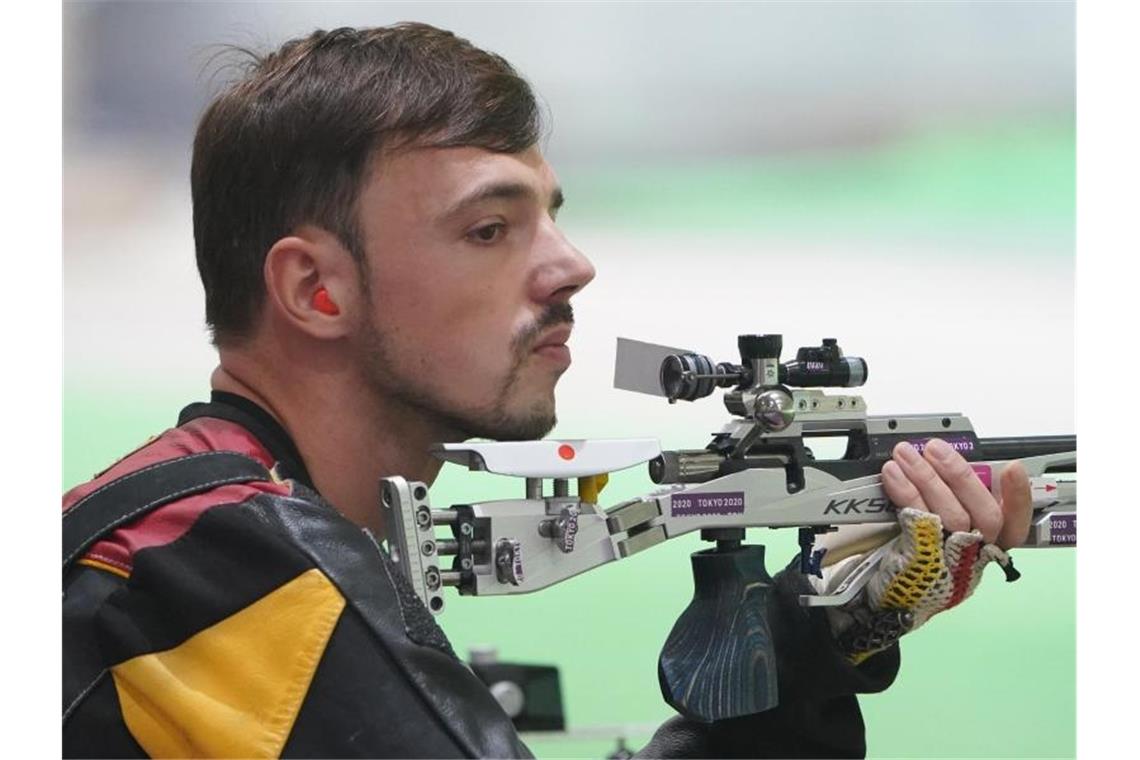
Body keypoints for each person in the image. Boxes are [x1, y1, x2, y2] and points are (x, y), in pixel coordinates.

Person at [62, 23, 1031, 758]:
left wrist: (820, 637)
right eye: (490, 229)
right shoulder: (241, 564)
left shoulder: (191, 529)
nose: (572, 266)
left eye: (552, 220)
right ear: (318, 290)